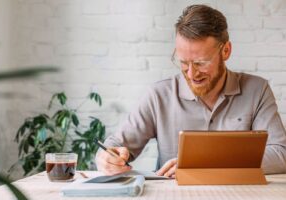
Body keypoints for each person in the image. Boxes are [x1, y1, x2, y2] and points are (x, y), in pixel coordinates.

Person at [95, 4, 286, 177]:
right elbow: (115, 146)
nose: (192, 74)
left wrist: (203, 164)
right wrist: (107, 159)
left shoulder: (257, 90)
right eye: (184, 63)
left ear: (226, 51)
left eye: (201, 63)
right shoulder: (159, 95)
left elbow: (280, 154)